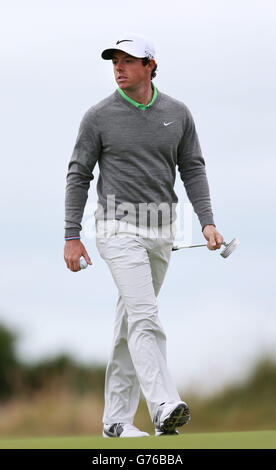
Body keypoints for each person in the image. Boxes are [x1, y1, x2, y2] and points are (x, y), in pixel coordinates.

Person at [64, 33, 224, 438]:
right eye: (114, 61)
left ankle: (116, 421)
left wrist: (206, 220)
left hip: (162, 230)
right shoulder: (98, 116)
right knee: (145, 316)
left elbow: (193, 168)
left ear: (150, 65)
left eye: (128, 60)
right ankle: (164, 404)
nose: (118, 67)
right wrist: (71, 234)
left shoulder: (178, 113)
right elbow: (78, 175)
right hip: (116, 229)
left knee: (129, 324)